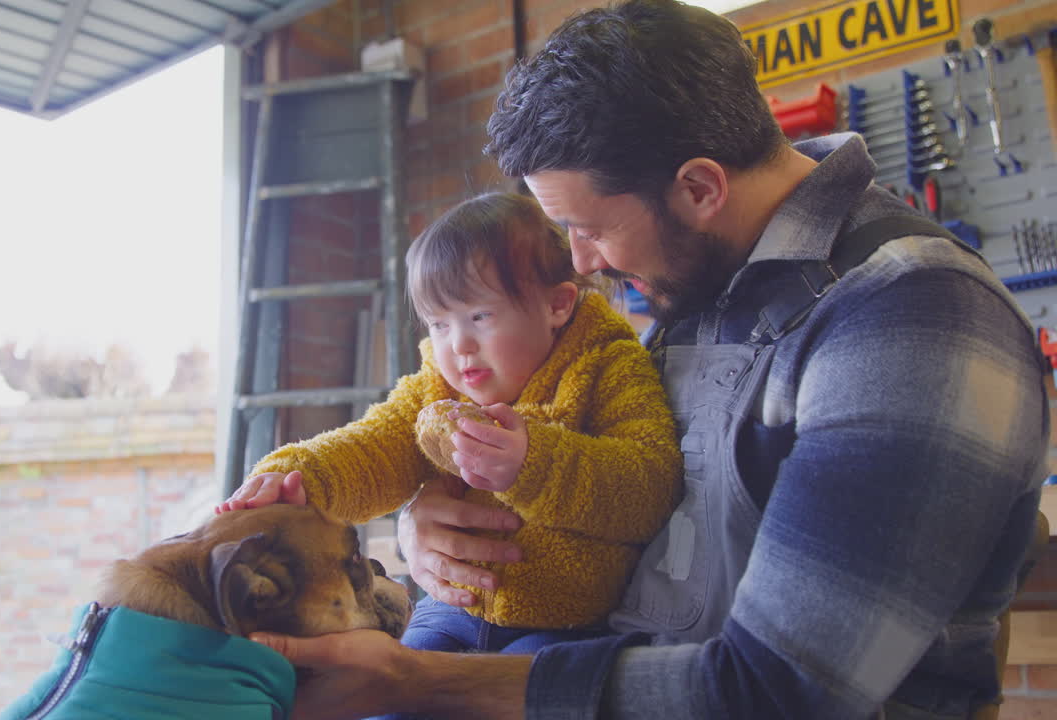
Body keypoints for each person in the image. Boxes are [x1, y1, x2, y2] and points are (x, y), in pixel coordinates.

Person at [241, 1, 1052, 719]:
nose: (582, 264)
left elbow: (775, 695)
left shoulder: (909, 320)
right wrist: (436, 529)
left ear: (699, 188)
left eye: (590, 229)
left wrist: (419, 680)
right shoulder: (703, 290)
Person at [221, 192, 682, 662]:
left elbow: (652, 486)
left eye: (480, 316)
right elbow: (372, 449)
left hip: (570, 623)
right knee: (388, 696)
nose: (459, 345)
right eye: (439, 324)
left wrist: (534, 463)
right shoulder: (437, 388)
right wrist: (298, 479)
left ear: (557, 306)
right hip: (449, 609)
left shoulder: (609, 365)